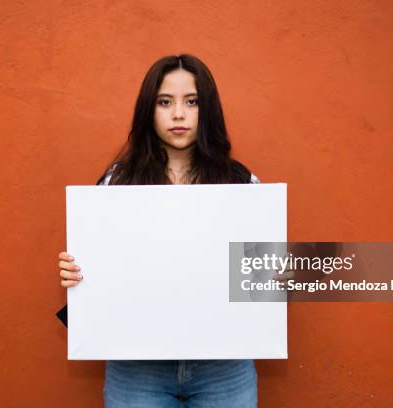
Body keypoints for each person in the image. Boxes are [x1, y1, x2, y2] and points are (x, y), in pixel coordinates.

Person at [58, 54, 287, 407]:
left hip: (224, 366)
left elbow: (262, 281)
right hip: (136, 366)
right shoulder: (117, 183)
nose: (178, 114)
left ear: (207, 110)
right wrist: (78, 274)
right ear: (148, 110)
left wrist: (274, 274)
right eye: (165, 102)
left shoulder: (243, 184)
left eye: (192, 102)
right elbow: (102, 268)